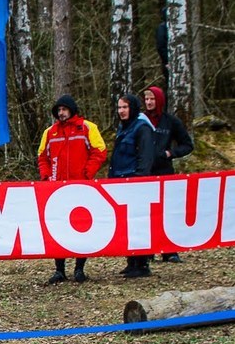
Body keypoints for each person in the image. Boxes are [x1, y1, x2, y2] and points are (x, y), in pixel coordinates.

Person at [37, 95, 107, 283]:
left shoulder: (87, 127)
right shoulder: (49, 132)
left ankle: (79, 268)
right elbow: (42, 157)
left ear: (71, 110)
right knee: (57, 227)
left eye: (64, 109)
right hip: (57, 189)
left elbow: (100, 151)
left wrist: (87, 173)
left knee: (82, 225)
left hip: (81, 187)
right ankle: (59, 270)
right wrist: (46, 177)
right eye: (58, 110)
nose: (61, 113)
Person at [142, 85, 194, 263]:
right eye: (146, 99)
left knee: (167, 212)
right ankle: (148, 250)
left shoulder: (170, 121)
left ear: (159, 101)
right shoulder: (140, 120)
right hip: (145, 172)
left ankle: (169, 250)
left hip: (164, 172)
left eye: (152, 99)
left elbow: (187, 145)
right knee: (147, 213)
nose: (149, 102)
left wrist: (171, 153)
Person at [109, 94, 156, 279]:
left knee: (138, 223)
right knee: (126, 224)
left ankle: (142, 263)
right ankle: (131, 261)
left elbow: (146, 156)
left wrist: (140, 179)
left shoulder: (142, 128)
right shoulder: (123, 127)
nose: (121, 111)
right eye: (119, 107)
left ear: (133, 108)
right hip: (120, 180)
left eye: (125, 107)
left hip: (135, 182)